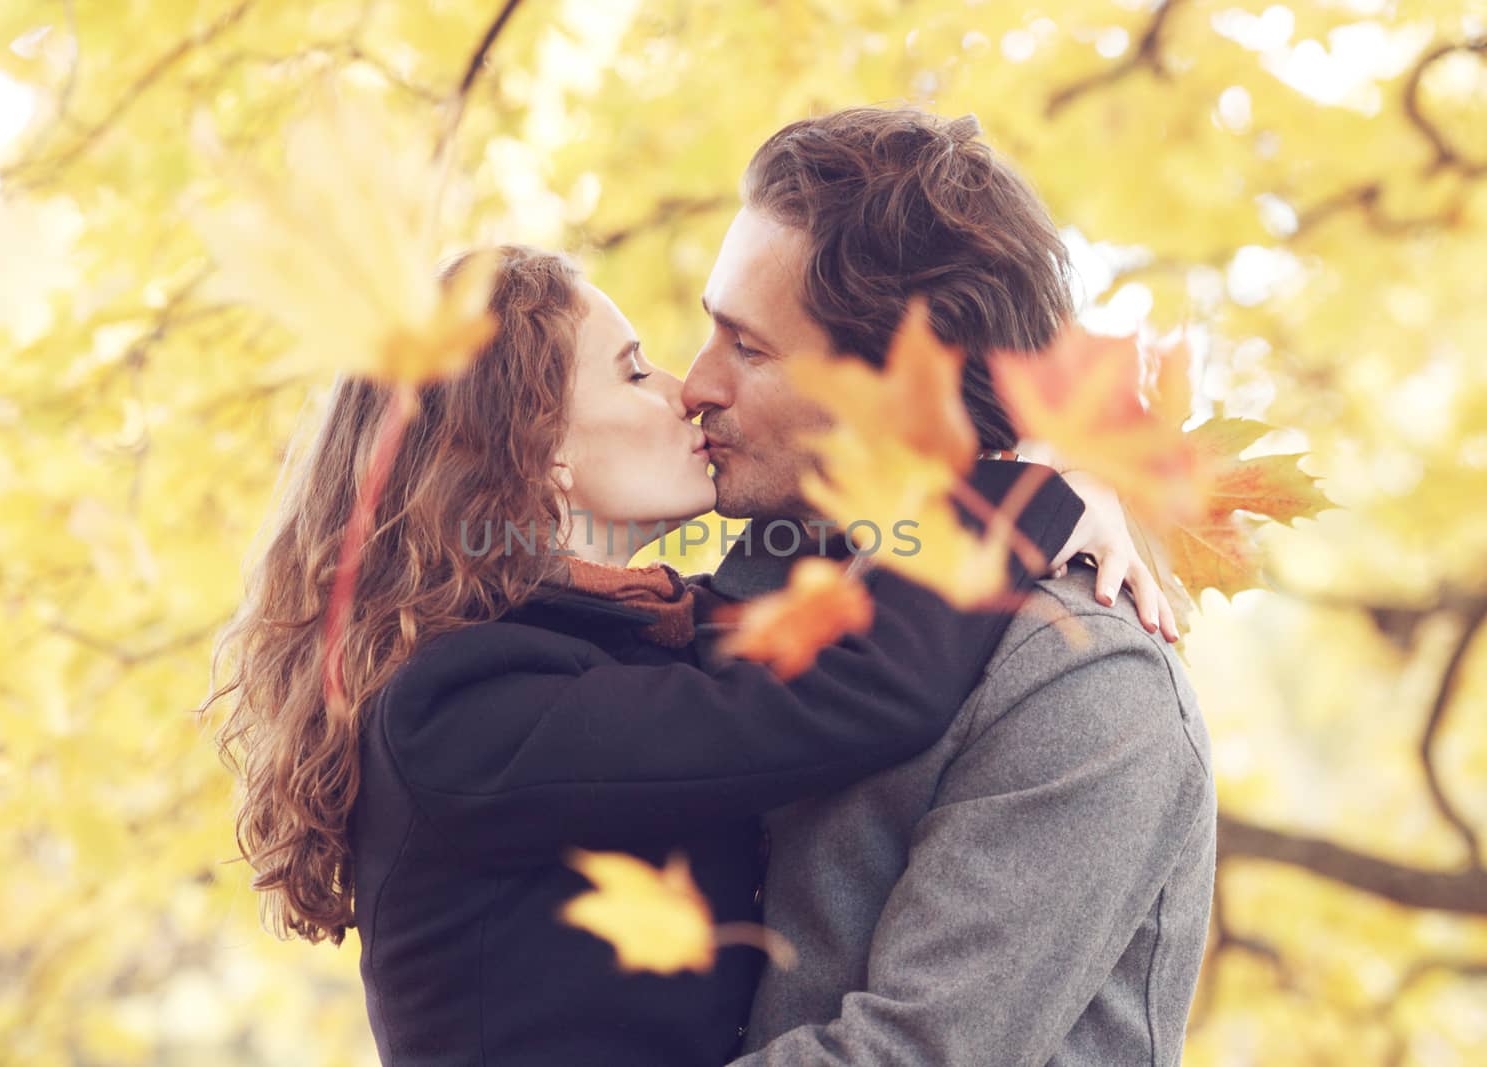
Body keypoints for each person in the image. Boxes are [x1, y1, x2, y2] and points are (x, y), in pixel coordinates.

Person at [203, 243, 1164, 1066]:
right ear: (540, 453)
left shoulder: (600, 643)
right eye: (632, 371)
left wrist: (1063, 487)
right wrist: (1021, 496)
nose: (685, 391)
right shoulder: (462, 706)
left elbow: (806, 608)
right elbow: (848, 697)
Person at [677, 106, 1216, 1066]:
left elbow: (908, 1055)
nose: (694, 383)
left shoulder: (1083, 684)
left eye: (748, 349)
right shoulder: (761, 595)